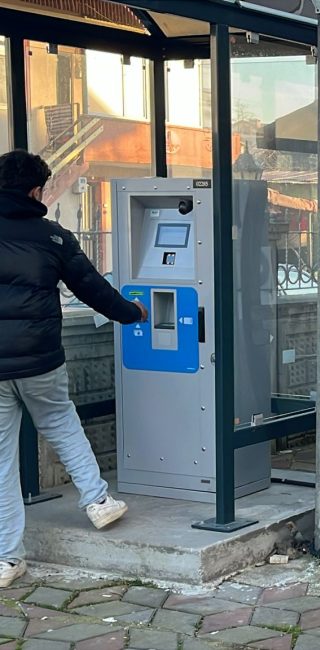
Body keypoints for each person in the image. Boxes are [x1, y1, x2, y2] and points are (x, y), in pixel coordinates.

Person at [0, 150, 148, 588]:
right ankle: (97, 501)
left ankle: (8, 558)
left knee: (1, 461)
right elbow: (93, 289)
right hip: (40, 358)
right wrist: (133, 313)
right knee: (62, 424)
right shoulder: (52, 237)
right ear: (35, 191)